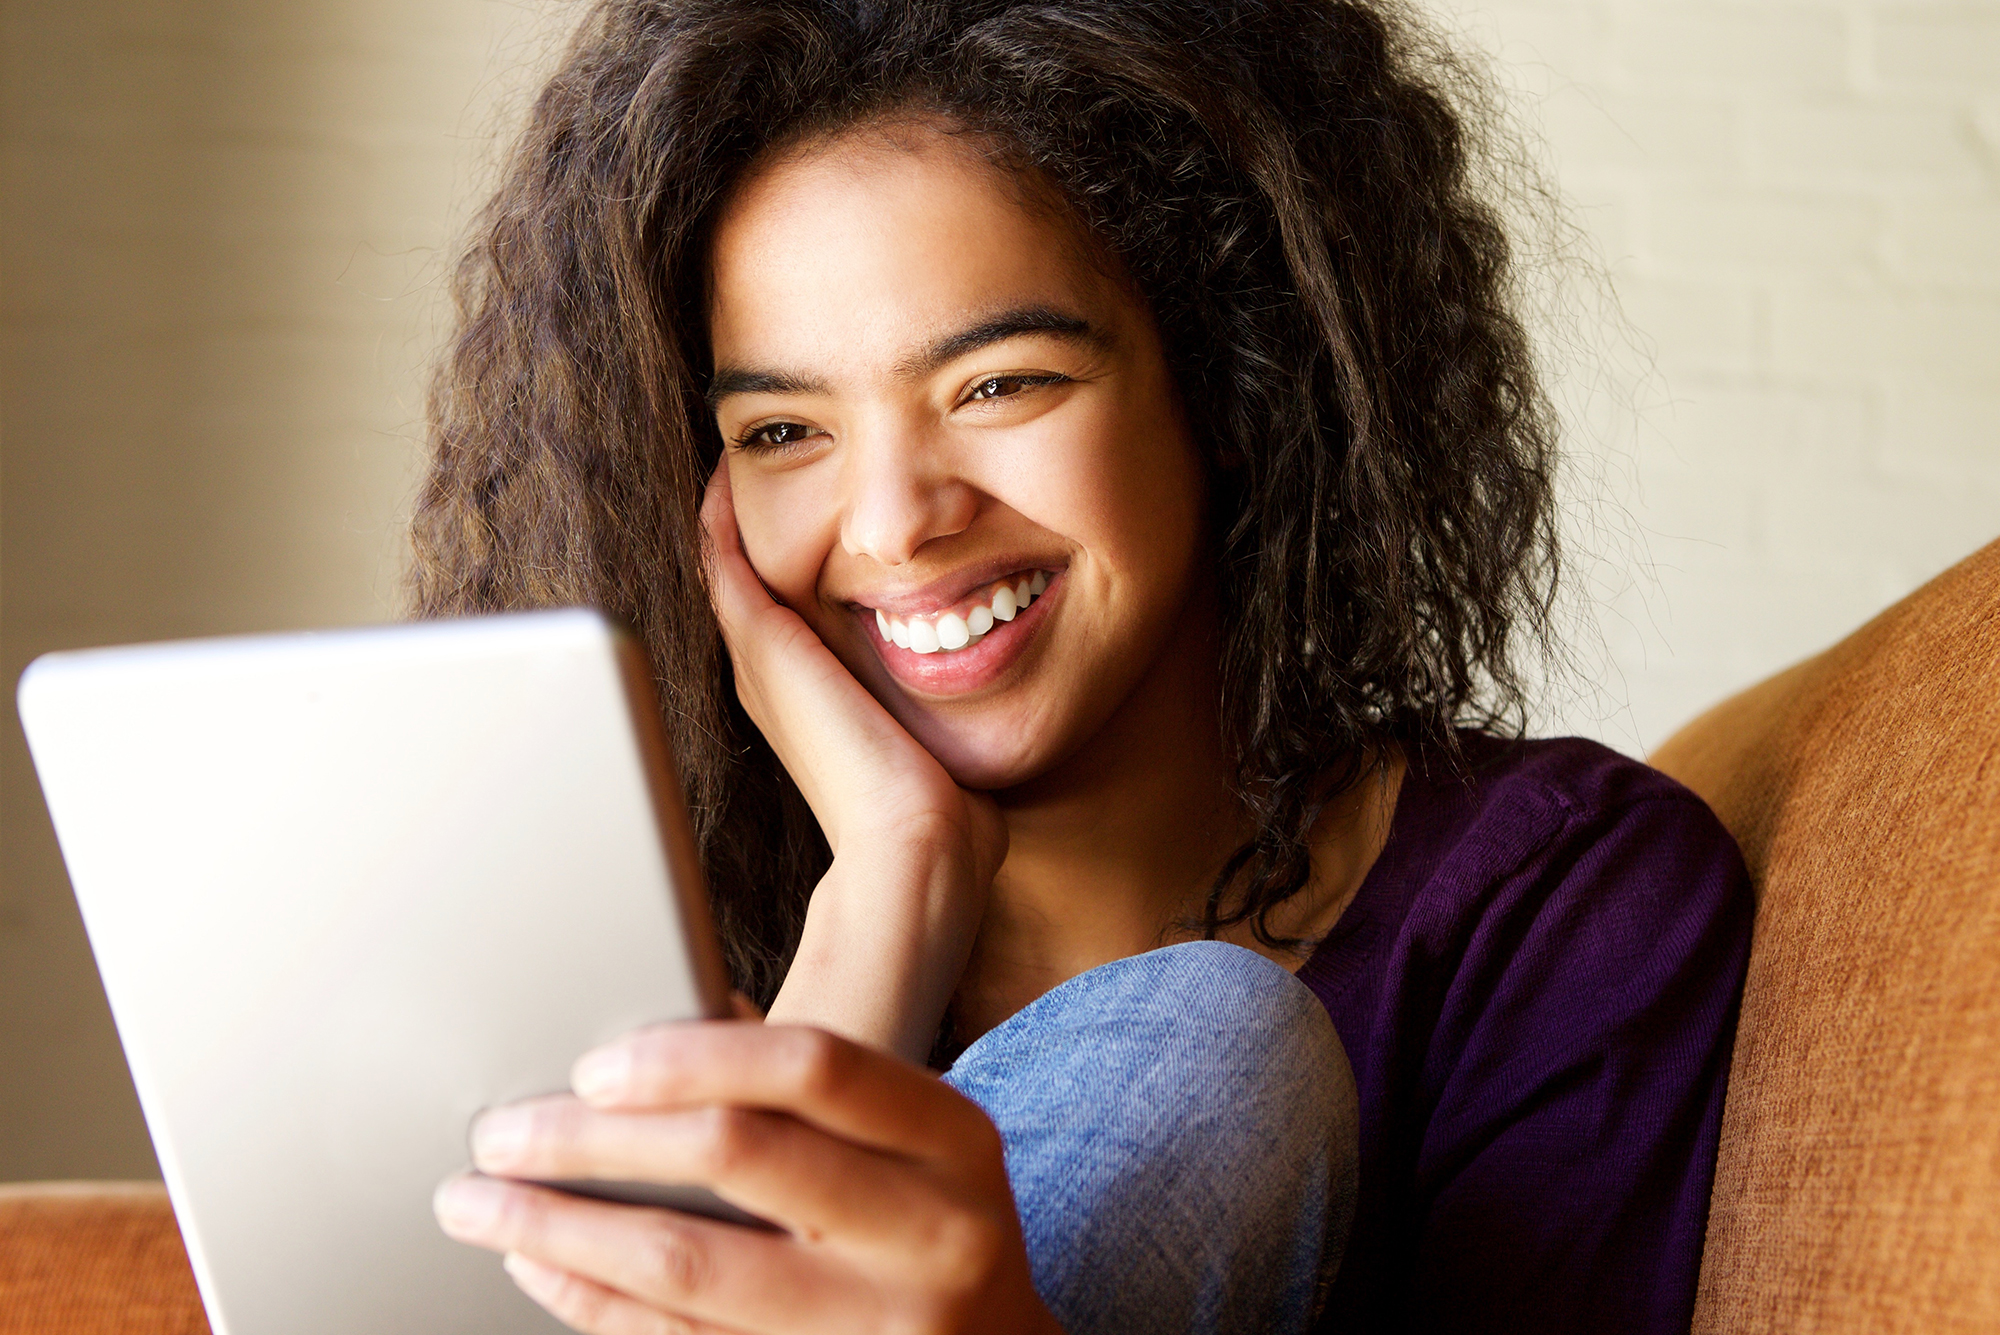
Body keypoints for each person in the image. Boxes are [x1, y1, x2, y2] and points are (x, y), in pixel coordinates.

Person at [415, 1, 1755, 1331]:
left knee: (1191, 1058)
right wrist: (892, 886)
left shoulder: (1559, 909)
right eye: (779, 432)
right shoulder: (646, 965)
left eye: (1000, 385)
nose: (892, 523)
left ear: (1234, 386)